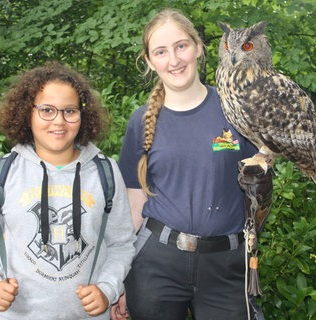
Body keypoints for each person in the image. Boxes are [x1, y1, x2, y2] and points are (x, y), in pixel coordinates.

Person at [111, 8, 270, 320]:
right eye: (161, 52)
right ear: (149, 61)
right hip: (156, 263)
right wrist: (119, 278)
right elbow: (132, 206)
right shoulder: (141, 121)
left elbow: (263, 186)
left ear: (198, 47)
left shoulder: (237, 111)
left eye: (181, 46)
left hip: (227, 263)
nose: (173, 60)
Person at [0, 61, 136, 319]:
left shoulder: (105, 172)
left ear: (83, 115)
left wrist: (107, 289)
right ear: (27, 113)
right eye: (46, 110)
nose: (59, 121)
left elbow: (121, 244)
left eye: (70, 111)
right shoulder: (4, 173)